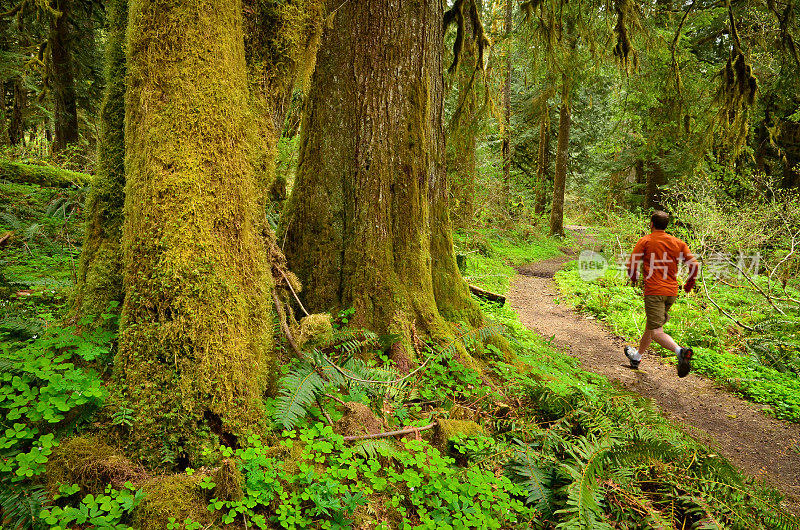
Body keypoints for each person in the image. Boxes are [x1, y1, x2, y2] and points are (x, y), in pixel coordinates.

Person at [624, 210, 700, 377]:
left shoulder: (646, 240)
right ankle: (636, 357)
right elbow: (694, 265)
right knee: (652, 325)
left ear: (651, 224)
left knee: (657, 332)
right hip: (671, 292)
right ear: (667, 225)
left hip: (654, 292)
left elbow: (631, 264)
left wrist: (633, 278)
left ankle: (680, 351)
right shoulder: (678, 242)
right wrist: (689, 283)